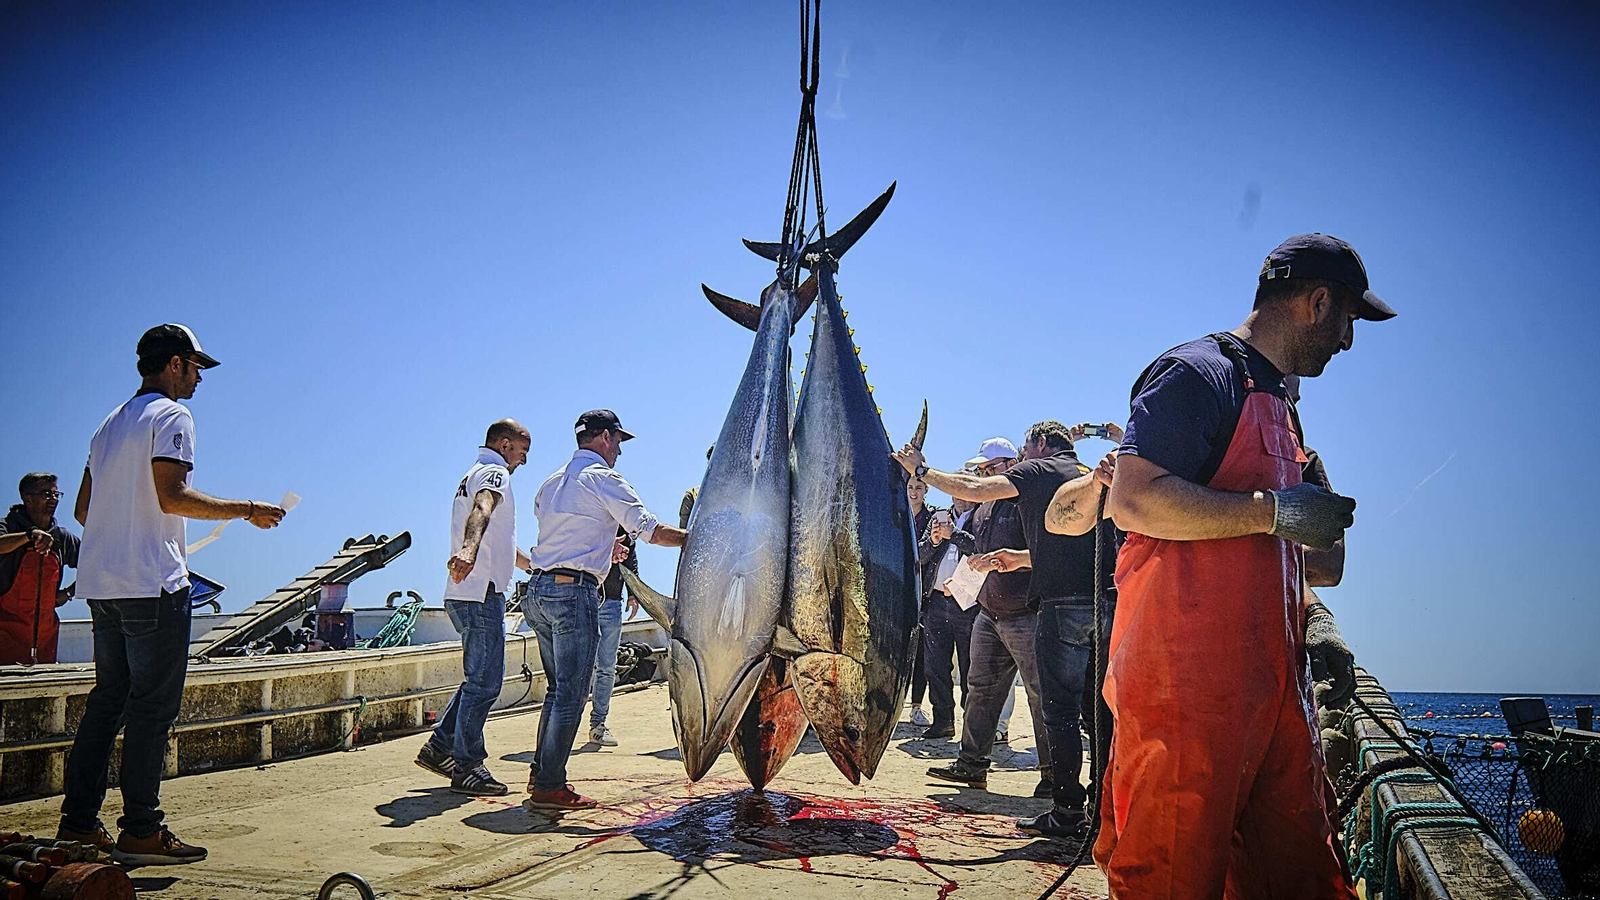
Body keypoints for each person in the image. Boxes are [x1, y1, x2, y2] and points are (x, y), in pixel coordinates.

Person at [1092, 234, 1391, 898]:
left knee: (1298, 875)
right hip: (1184, 694)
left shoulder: (1285, 409)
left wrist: (1314, 543)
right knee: (1170, 877)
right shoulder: (1197, 373)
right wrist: (1274, 512)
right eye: (1347, 319)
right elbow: (1133, 499)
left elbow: (1319, 565)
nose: (1347, 340)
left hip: (1275, 696)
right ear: (1318, 302)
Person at [60, 324, 286, 865]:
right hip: (152, 584)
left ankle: (78, 823)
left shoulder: (108, 425)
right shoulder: (171, 416)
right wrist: (248, 509)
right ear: (176, 364)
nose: (200, 379)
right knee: (152, 710)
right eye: (196, 368)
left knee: (107, 704)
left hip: (103, 585)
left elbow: (84, 511)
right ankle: (141, 830)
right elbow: (172, 495)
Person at [523, 409, 688, 810]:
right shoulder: (604, 478)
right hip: (572, 595)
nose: (619, 451)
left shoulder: (550, 483)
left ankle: (541, 773)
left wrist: (601, 547)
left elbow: (564, 532)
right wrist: (699, 538)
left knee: (557, 690)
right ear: (603, 438)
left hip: (538, 591)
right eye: (617, 441)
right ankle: (549, 786)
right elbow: (650, 531)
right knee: (572, 694)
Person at [916, 437, 1053, 800]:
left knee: (1041, 696)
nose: (983, 475)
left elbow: (1045, 551)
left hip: (1025, 614)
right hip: (989, 614)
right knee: (980, 690)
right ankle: (971, 764)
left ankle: (1053, 777)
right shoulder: (984, 509)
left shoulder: (1027, 500)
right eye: (980, 470)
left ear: (1011, 465)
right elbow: (977, 547)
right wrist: (963, 551)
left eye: (989, 468)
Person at [414, 419, 532, 796]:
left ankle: (439, 748)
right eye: (522, 452)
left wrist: (531, 565)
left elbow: (498, 538)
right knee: (485, 683)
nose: (523, 461)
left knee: (477, 681)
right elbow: (481, 510)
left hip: (466, 592)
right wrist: (468, 551)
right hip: (480, 593)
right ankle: (467, 767)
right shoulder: (496, 473)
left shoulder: (473, 472)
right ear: (504, 445)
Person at [0, 473, 81, 665]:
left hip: (46, 636)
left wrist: (68, 593)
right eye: (46, 494)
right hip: (4, 633)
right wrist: (28, 536)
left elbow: (94, 566)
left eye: (56, 494)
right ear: (27, 498)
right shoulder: (7, 526)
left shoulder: (62, 537)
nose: (53, 499)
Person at [589, 526, 638, 747]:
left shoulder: (624, 524)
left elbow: (631, 558)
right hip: (583, 599)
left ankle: (598, 725)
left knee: (607, 667)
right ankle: (564, 728)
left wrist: (633, 594)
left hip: (612, 603)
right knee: (577, 668)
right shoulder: (585, 518)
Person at [905, 475, 935, 728]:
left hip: (924, 594)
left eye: (918, 487)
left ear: (926, 490)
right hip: (897, 587)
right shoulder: (895, 513)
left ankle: (916, 706)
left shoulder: (932, 517)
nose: (914, 492)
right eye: (910, 487)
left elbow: (924, 554)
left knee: (921, 654)